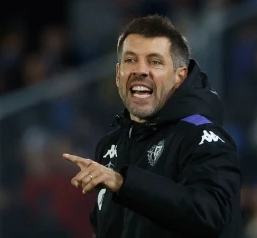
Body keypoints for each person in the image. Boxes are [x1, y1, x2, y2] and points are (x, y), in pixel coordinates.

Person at [63, 14, 242, 238]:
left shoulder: (201, 136)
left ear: (179, 77)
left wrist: (123, 182)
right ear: (118, 74)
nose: (140, 70)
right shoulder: (110, 145)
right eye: (130, 60)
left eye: (154, 61)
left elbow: (212, 214)